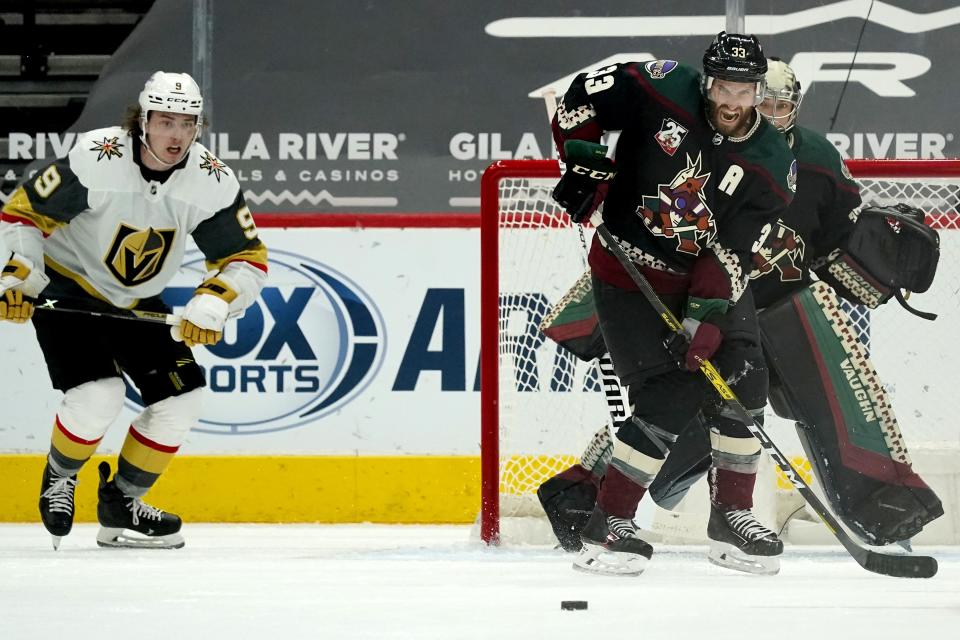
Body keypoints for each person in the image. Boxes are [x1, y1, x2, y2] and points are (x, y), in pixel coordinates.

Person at [539, 57, 941, 573]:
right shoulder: (690, 122)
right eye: (756, 97)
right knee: (670, 403)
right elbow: (597, 119)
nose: (765, 110)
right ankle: (593, 506)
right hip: (667, 282)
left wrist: (870, 258)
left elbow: (827, 241)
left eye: (775, 101)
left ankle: (742, 519)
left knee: (750, 394)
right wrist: (584, 166)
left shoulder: (802, 160)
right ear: (713, 89)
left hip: (759, 299)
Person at [548, 32, 795, 576]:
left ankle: (731, 519)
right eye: (724, 87)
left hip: (698, 278)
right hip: (626, 273)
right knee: (671, 392)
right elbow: (579, 97)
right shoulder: (658, 85)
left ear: (759, 91)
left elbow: (735, 249)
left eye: (746, 90)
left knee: (746, 375)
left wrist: (704, 314)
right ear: (707, 81)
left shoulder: (771, 161)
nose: (732, 102)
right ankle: (606, 527)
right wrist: (585, 159)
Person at [0, 71, 268, 550]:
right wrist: (20, 276)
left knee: (181, 401)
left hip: (137, 298)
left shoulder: (211, 180)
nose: (177, 135)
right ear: (143, 120)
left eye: (188, 123)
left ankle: (122, 502)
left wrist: (211, 303)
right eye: (166, 121)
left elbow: (244, 260)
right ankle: (61, 476)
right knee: (99, 395)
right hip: (69, 288)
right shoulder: (96, 158)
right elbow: (25, 214)